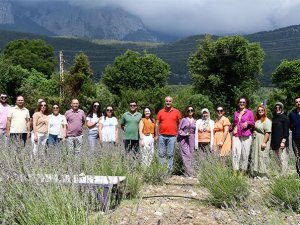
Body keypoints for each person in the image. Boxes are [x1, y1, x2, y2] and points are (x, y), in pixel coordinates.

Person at [155, 96, 181, 171]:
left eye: (170, 101)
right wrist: (156, 135)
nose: (168, 102)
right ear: (165, 102)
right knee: (161, 154)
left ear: (172, 102)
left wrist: (178, 134)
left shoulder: (177, 112)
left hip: (172, 136)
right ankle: (161, 170)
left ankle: (169, 170)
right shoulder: (161, 111)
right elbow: (157, 124)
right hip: (162, 136)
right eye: (167, 101)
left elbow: (180, 124)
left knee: (170, 154)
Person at [231, 97, 255, 174]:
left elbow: (253, 123)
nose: (242, 103)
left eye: (243, 102)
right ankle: (235, 172)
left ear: (246, 103)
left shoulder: (249, 112)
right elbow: (234, 123)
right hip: (236, 135)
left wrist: (247, 123)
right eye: (240, 102)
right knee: (235, 153)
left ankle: (242, 173)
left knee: (245, 154)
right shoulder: (236, 113)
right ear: (238, 103)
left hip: (246, 136)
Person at [251, 104, 272, 178]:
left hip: (262, 139)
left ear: (264, 111)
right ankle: (257, 172)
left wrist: (264, 142)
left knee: (262, 155)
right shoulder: (257, 120)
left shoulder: (266, 120)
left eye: (262, 110)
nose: (260, 111)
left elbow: (268, 132)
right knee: (256, 155)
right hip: (256, 140)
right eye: (259, 110)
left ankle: (263, 174)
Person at [271, 102, 289, 176]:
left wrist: (283, 141)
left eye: (279, 107)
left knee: (282, 158)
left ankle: (283, 174)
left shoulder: (285, 118)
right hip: (275, 141)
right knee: (277, 159)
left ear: (281, 108)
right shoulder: (274, 118)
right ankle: (279, 173)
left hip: (282, 142)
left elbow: (286, 131)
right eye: (276, 108)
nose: (277, 109)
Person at [177, 105, 196, 176]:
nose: (190, 112)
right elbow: (179, 130)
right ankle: (188, 172)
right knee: (186, 154)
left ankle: (192, 171)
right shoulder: (184, 120)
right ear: (186, 112)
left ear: (193, 111)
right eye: (189, 110)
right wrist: (184, 134)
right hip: (184, 139)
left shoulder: (195, 120)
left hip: (193, 138)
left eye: (191, 110)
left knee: (192, 154)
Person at [289, 96, 300, 176]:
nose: (298, 103)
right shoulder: (292, 113)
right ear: (295, 103)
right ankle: (299, 172)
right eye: (297, 102)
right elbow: (289, 125)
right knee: (297, 155)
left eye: (299, 101)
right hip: (295, 138)